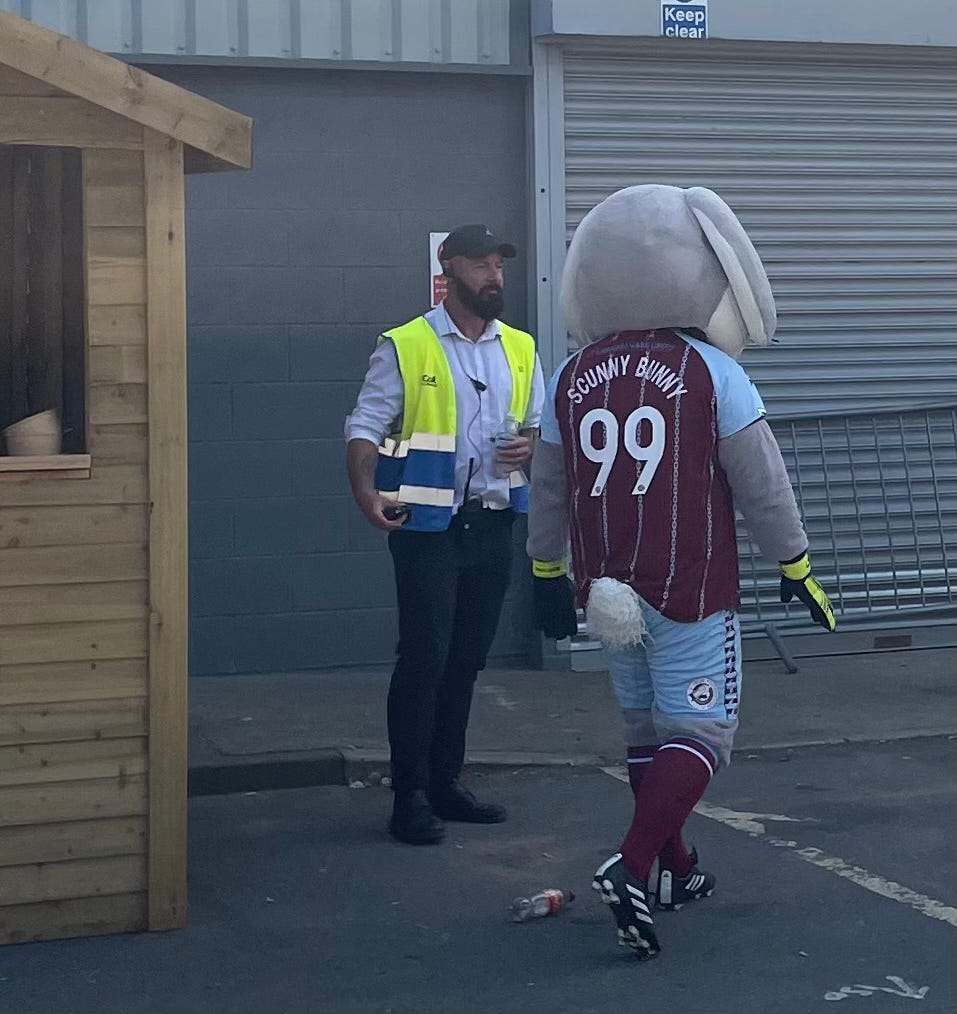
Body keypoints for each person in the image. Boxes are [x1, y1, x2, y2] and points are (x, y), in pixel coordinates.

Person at [527, 185, 836, 958]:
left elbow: (548, 484)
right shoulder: (710, 372)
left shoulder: (570, 375)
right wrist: (794, 564)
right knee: (701, 732)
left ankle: (674, 866)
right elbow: (761, 483)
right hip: (688, 587)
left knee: (646, 732)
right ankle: (631, 865)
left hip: (605, 590)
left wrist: (542, 570)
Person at [345, 224, 545, 845]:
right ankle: (408, 797)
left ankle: (445, 784)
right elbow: (365, 426)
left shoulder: (519, 347)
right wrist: (364, 491)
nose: (494, 277)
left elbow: (535, 430)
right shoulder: (406, 344)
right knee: (424, 658)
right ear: (449, 269)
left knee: (465, 662)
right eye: (481, 265)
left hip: (492, 522)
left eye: (499, 266)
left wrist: (527, 447)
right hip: (427, 527)